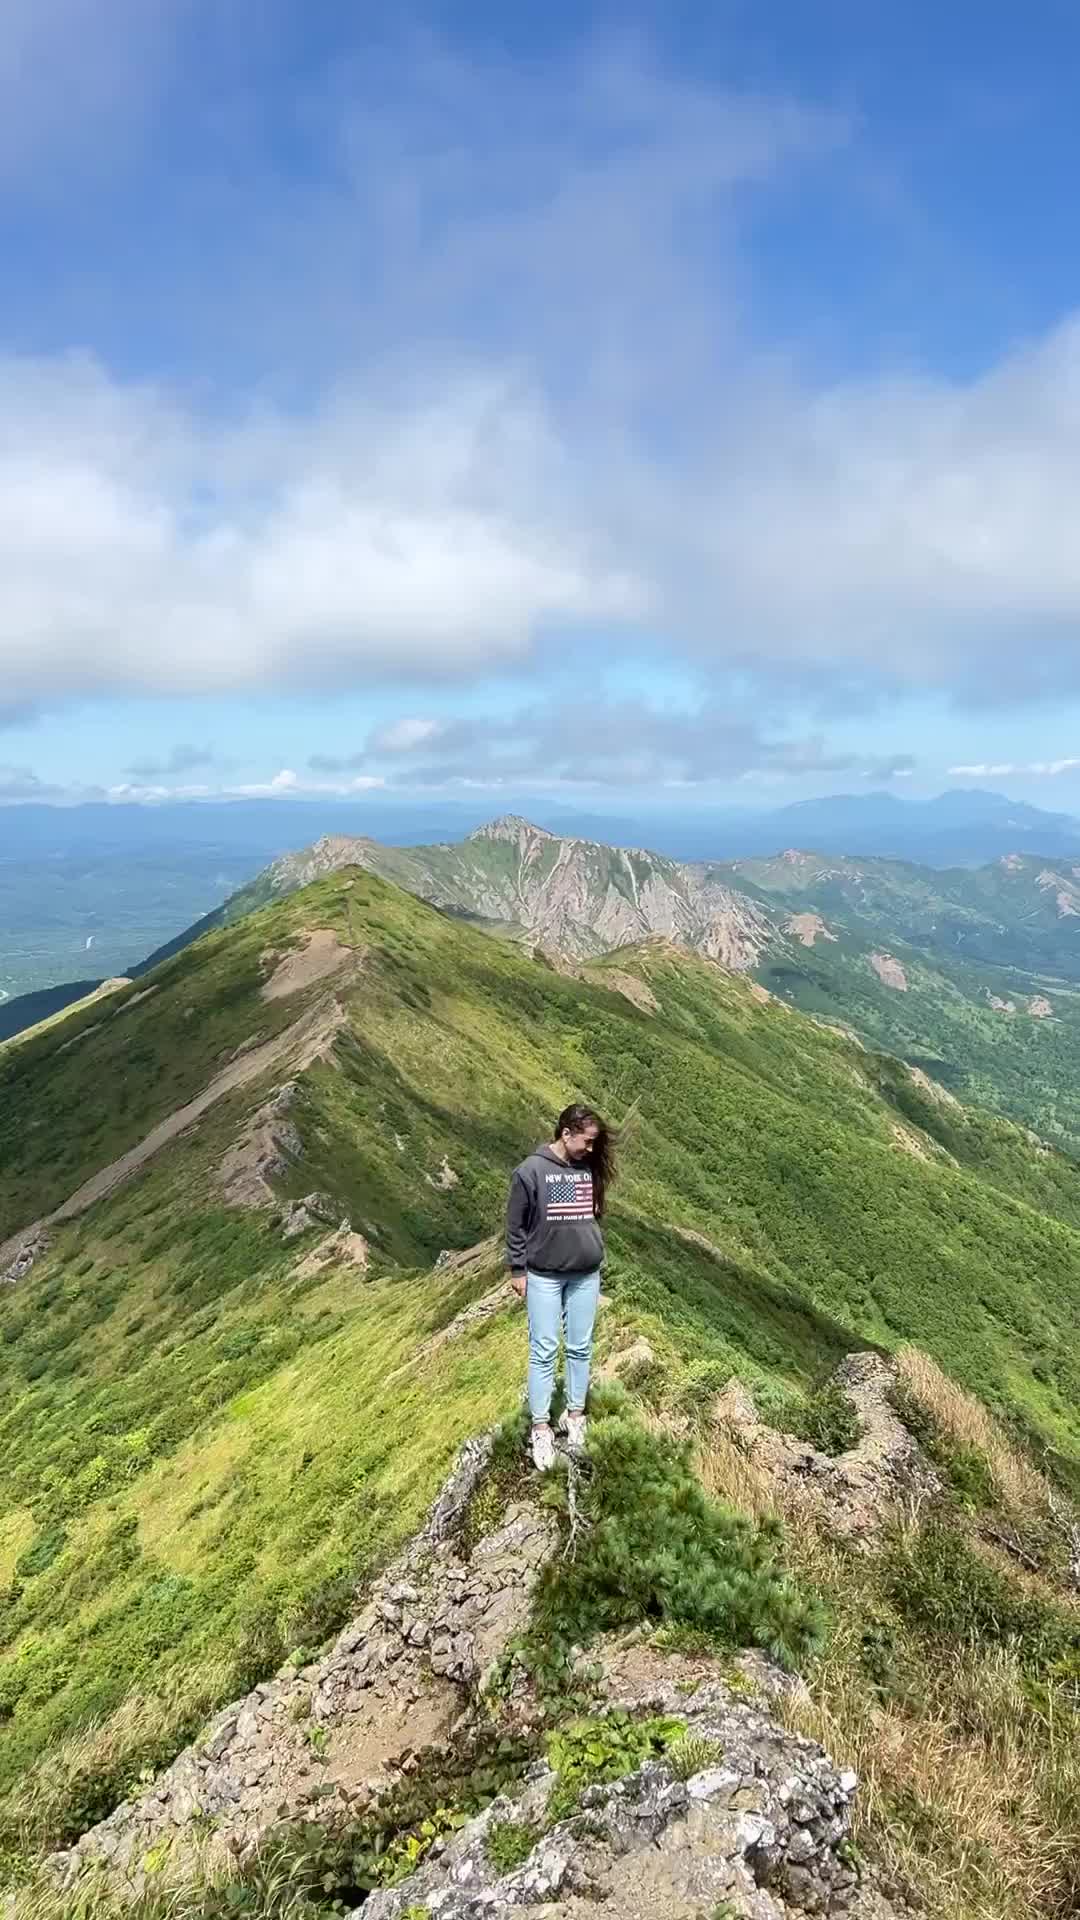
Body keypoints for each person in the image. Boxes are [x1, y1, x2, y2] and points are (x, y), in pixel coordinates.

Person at [505, 1102, 616, 1471]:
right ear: (565, 1133)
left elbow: (592, 1211)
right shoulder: (530, 1171)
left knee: (581, 1347)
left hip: (586, 1274)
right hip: (545, 1276)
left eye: (594, 1143)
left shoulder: (587, 1167)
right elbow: (516, 1224)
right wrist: (517, 1270)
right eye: (586, 1141)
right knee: (544, 1350)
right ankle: (541, 1427)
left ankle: (575, 1416)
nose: (591, 1149)